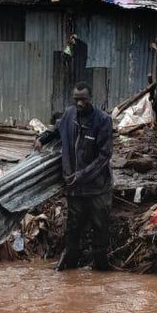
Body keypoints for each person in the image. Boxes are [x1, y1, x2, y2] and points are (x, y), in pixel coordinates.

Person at [37, 82, 113, 270]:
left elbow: (104, 157)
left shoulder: (103, 120)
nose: (79, 104)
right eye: (76, 99)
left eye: (83, 100)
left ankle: (101, 274)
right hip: (75, 190)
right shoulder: (69, 115)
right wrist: (42, 138)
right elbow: (56, 130)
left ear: (90, 99)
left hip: (98, 189)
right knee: (73, 233)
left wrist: (82, 175)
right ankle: (70, 273)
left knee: (100, 234)